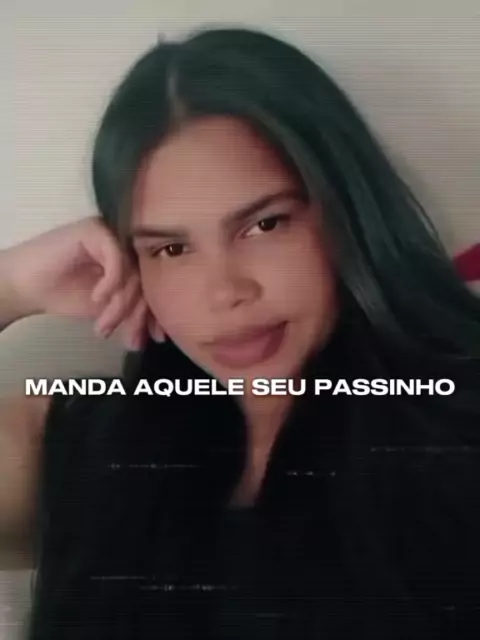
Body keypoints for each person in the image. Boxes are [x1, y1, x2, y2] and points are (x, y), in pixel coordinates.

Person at [1, 25, 480, 640]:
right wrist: (11, 284)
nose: (224, 292)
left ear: (346, 210)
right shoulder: (86, 446)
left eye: (265, 225)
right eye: (171, 248)